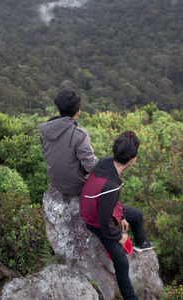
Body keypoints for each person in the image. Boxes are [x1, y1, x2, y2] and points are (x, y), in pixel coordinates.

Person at [80, 131, 153, 300]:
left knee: (136, 215)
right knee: (121, 261)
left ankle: (141, 243)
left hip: (97, 207)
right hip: (94, 221)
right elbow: (104, 221)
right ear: (132, 159)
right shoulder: (111, 185)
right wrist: (119, 236)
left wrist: (120, 217)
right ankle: (130, 297)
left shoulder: (106, 163)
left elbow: (111, 200)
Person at [39, 88, 97, 196]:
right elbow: (91, 167)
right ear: (78, 112)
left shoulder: (46, 131)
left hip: (55, 182)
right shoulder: (80, 135)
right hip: (76, 187)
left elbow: (47, 155)